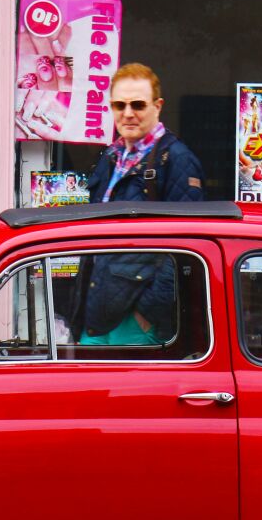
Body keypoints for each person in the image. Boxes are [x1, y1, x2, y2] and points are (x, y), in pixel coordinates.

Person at [77, 63, 204, 346]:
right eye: (119, 105)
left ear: (157, 106)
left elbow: (189, 247)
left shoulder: (176, 160)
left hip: (137, 322)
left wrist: (146, 312)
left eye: (138, 104)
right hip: (99, 315)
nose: (128, 113)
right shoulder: (111, 157)